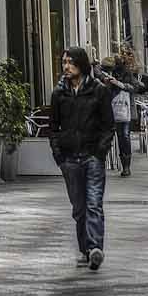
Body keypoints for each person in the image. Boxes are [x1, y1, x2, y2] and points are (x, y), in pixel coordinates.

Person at [49, 46, 115, 270]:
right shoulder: (59, 94)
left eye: (70, 62)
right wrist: (59, 154)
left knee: (94, 203)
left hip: (92, 157)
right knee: (79, 208)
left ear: (82, 64)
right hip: (69, 159)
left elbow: (108, 126)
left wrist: (100, 153)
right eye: (64, 62)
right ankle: (85, 249)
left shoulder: (98, 91)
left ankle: (96, 248)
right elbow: (53, 127)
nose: (66, 66)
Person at [99, 61, 137, 177]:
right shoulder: (105, 76)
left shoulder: (127, 75)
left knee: (123, 137)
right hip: (109, 110)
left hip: (124, 111)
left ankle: (126, 166)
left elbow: (134, 87)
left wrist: (120, 84)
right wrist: (106, 83)